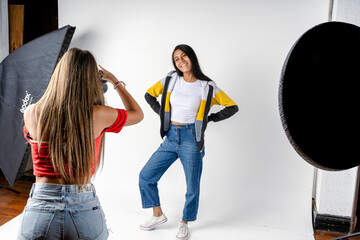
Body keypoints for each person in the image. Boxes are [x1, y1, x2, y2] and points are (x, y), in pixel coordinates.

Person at [18, 48, 143, 240]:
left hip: (41, 205)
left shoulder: (32, 112)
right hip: (82, 206)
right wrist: (113, 80)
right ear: (91, 80)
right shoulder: (99, 114)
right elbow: (137, 114)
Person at [139, 44, 238, 239]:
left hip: (191, 139)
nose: (181, 61)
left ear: (192, 58)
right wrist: (164, 115)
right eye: (176, 58)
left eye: (184, 56)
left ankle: (185, 222)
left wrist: (209, 119)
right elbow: (149, 95)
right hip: (170, 137)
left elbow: (232, 107)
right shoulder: (171, 79)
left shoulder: (207, 86)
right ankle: (157, 215)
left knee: (192, 186)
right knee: (146, 176)